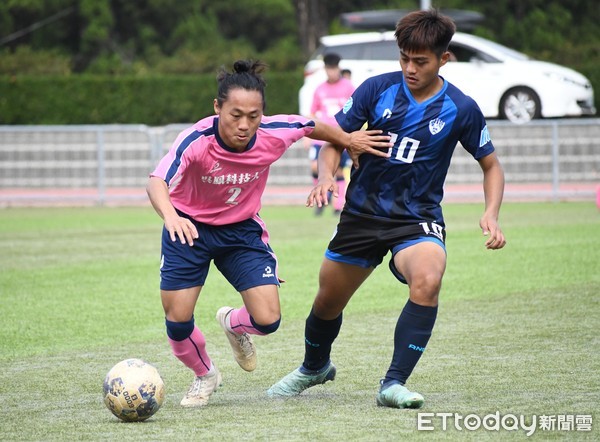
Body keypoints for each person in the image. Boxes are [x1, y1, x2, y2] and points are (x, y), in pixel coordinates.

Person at [267, 9, 507, 409]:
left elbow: (491, 165)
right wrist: (327, 176)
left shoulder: (461, 108)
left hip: (417, 220)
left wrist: (491, 212)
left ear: (444, 59)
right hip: (362, 215)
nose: (410, 68)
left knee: (428, 279)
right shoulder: (376, 90)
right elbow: (334, 141)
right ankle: (314, 367)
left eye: (421, 61)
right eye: (404, 58)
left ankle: (393, 383)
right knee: (327, 301)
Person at [146, 60, 391, 408]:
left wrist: (347, 141)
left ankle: (232, 323)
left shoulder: (274, 132)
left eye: (254, 115)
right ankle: (205, 375)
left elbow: (312, 126)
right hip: (187, 229)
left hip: (241, 232)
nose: (244, 125)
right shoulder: (196, 140)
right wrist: (171, 216)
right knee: (178, 319)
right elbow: (157, 181)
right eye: (235, 115)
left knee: (268, 319)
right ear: (217, 108)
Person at [307, 53, 355, 215]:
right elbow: (313, 112)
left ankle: (338, 204)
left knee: (340, 171)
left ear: (338, 68)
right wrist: (308, 134)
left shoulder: (348, 87)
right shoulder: (320, 89)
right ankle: (321, 199)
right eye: (328, 69)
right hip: (323, 136)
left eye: (333, 69)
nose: (331, 72)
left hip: (341, 135)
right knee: (315, 167)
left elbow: (356, 110)